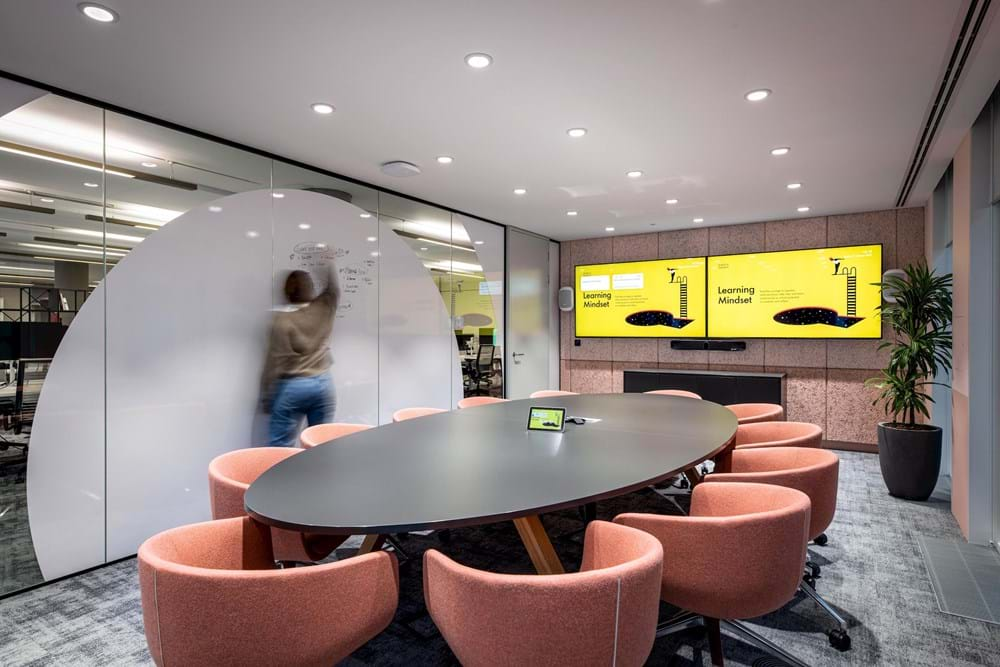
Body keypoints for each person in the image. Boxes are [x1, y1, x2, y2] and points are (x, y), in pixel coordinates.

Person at [261, 261, 340, 446]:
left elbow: (274, 363)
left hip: (292, 387)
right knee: (320, 444)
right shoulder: (323, 309)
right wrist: (326, 265)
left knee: (280, 447)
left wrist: (266, 395)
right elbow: (333, 291)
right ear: (311, 289)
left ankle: (285, 476)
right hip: (323, 384)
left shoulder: (280, 321)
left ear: (287, 292)